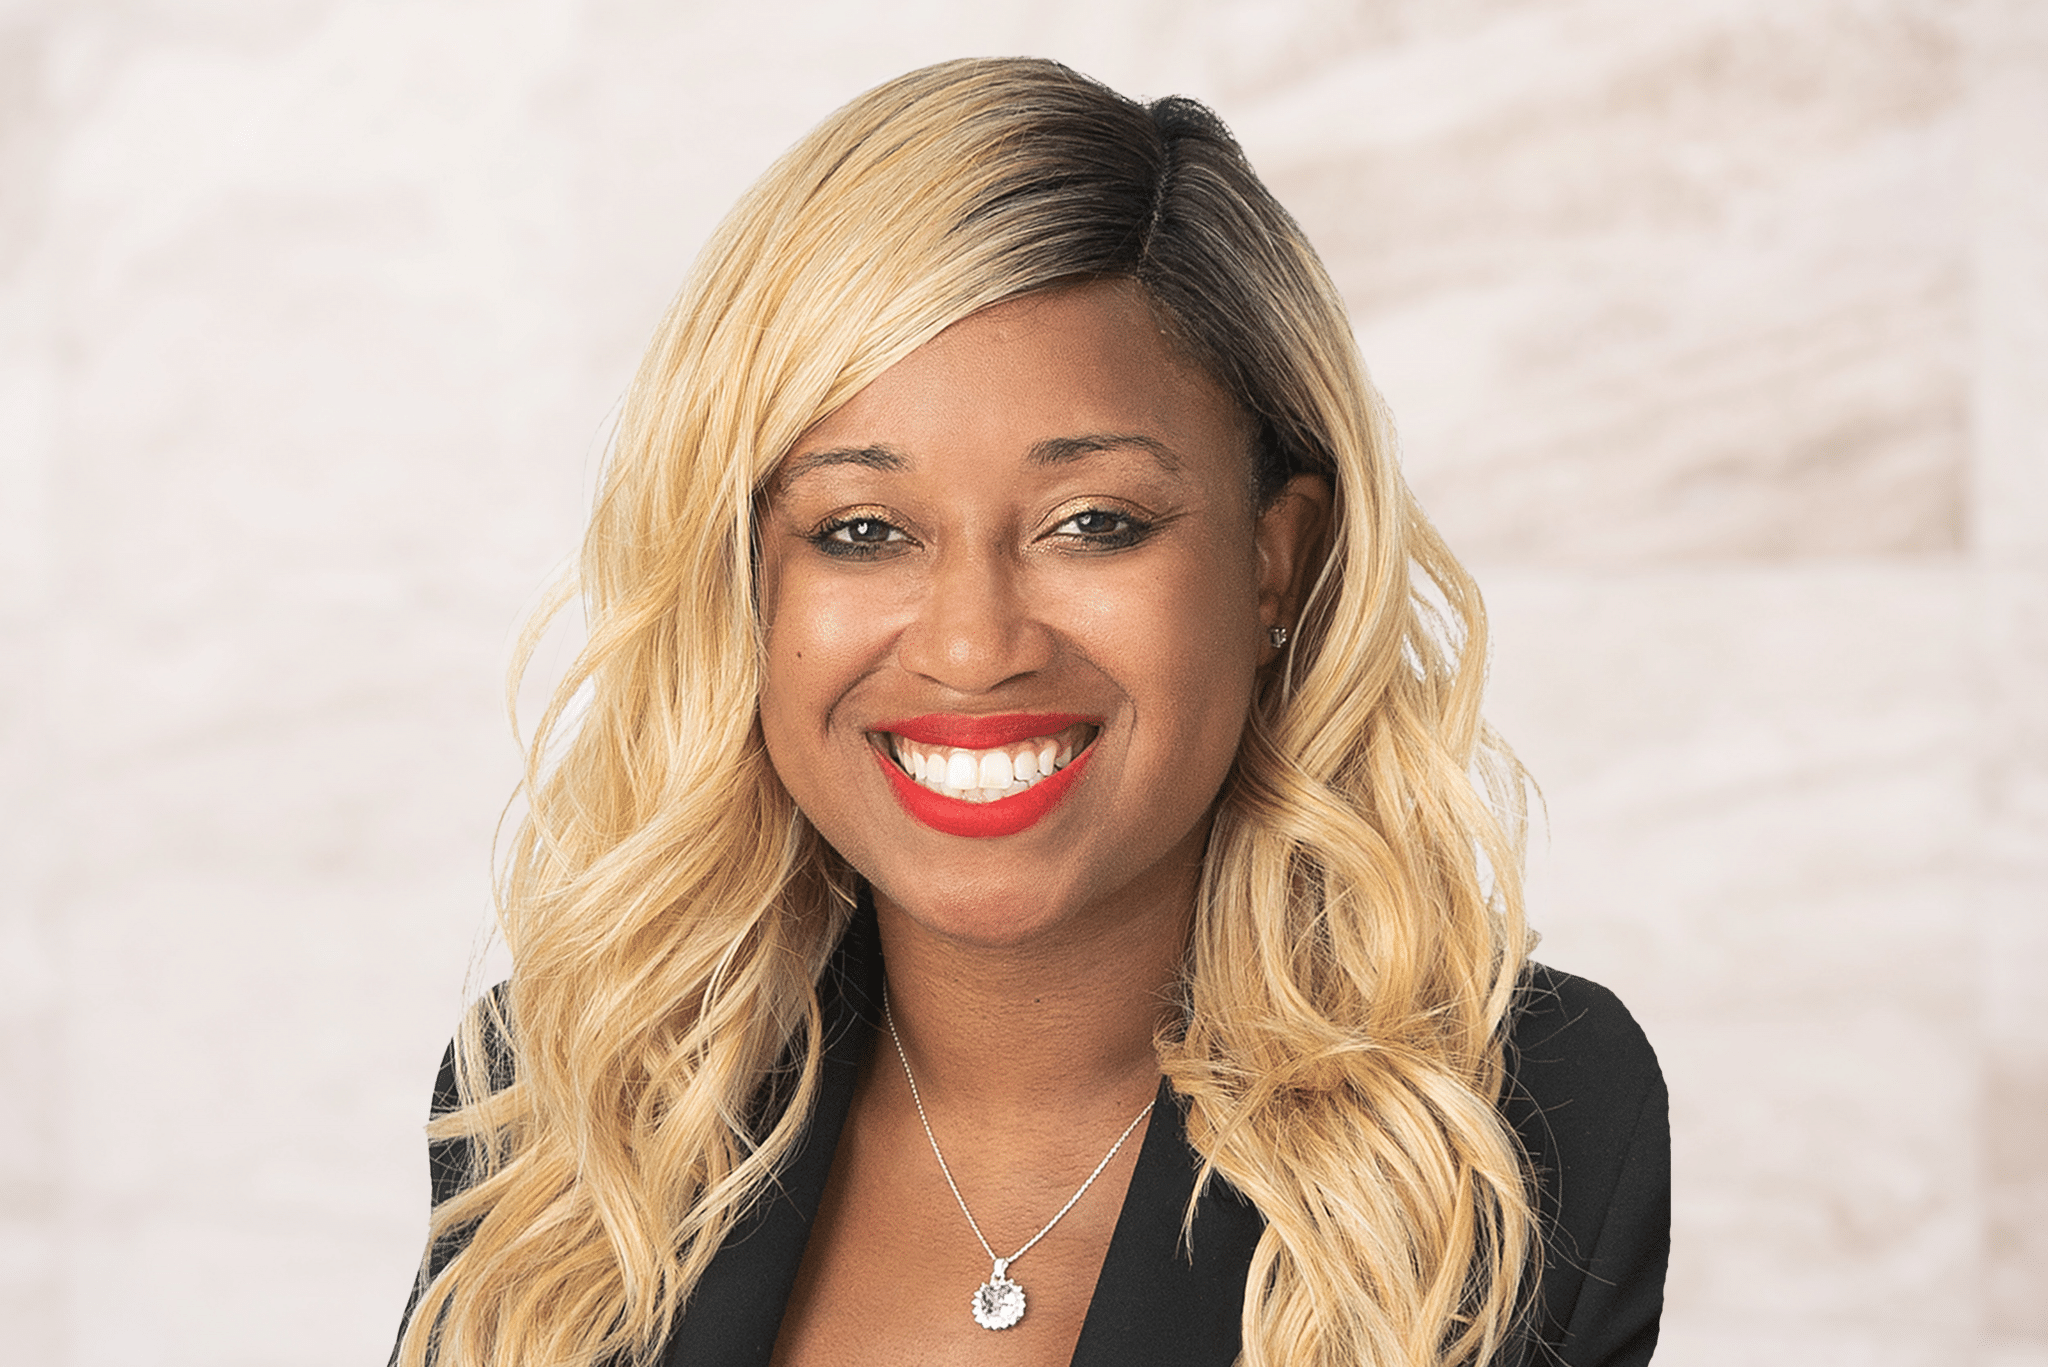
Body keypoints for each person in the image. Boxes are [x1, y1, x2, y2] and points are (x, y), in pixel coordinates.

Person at [392, 57, 1667, 1367]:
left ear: (1274, 561)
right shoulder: (568, 1105)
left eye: (1093, 523)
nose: (973, 646)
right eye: (863, 528)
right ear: (742, 582)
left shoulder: (1518, 1128)